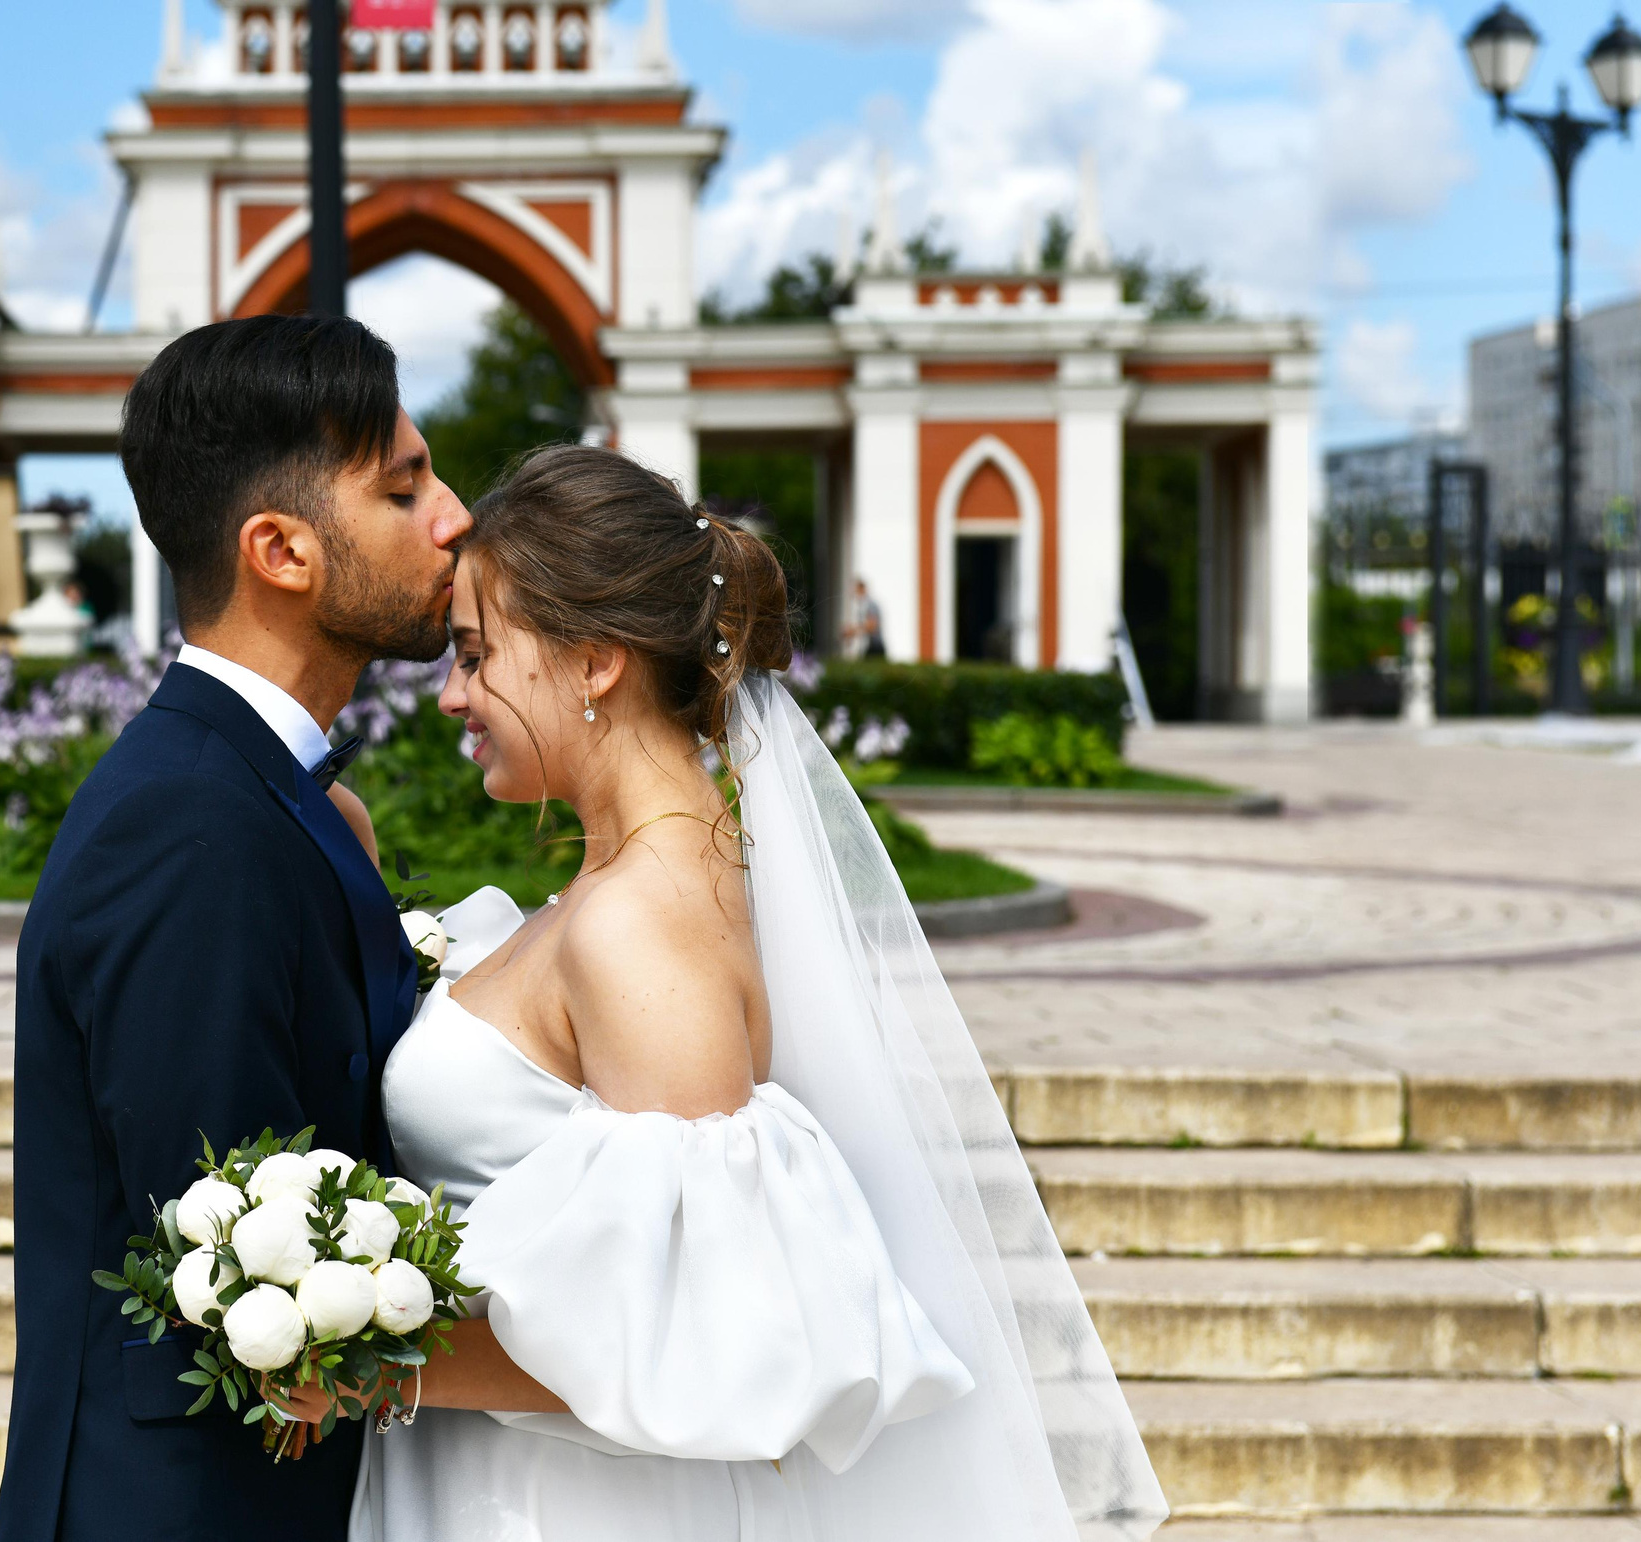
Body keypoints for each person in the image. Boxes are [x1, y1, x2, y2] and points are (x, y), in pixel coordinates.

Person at [342, 444, 1166, 1541]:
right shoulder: (642, 885)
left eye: (475, 655)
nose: (450, 696)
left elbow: (701, 1322)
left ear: (594, 662)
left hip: (559, 1507)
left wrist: (359, 1357)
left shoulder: (640, 918)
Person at [0, 314, 471, 1542]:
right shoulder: (194, 827)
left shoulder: (260, 793)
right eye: (404, 487)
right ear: (281, 549)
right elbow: (233, 1242)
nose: (454, 516)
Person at [849, 575, 888, 658]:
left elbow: (872, 626)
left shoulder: (870, 605)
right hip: (868, 647)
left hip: (875, 647)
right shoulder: (861, 606)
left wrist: (854, 630)